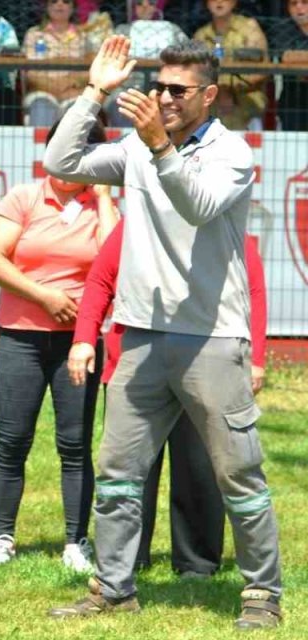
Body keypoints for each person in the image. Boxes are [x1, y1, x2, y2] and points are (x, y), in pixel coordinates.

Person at [44, 36, 283, 629]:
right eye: (159, 87)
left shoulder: (232, 153)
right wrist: (93, 93)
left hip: (213, 339)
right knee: (118, 474)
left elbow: (198, 204)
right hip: (142, 339)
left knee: (239, 474)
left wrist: (157, 145)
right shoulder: (135, 145)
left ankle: (262, 595)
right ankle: (113, 588)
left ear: (210, 94)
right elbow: (61, 164)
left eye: (179, 89)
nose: (165, 98)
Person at [69, 220, 268, 579]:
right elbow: (100, 279)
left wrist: (256, 358)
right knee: (128, 471)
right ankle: (125, 561)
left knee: (199, 467)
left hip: (204, 365)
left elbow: (252, 288)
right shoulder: (136, 224)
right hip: (135, 365)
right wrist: (84, 337)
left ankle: (197, 563)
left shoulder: (221, 221)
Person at [0, 116, 118, 573]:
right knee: (12, 441)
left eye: (84, 153)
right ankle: (1, 538)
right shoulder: (24, 198)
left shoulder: (101, 206)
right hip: (21, 338)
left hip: (79, 343)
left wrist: (105, 195)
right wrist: (45, 297)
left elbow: (115, 259)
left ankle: (76, 542)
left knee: (75, 444)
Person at [107, 0, 187, 127]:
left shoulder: (173, 29)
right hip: (128, 86)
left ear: (157, 6)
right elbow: (112, 57)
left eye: (151, 3)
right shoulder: (122, 30)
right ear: (133, 7)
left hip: (163, 87)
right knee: (117, 100)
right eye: (139, 3)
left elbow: (185, 56)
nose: (145, 7)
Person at [192, 0, 269, 130]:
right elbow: (194, 75)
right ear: (207, 3)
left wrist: (230, 90)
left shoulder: (249, 29)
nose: (219, 1)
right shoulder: (201, 35)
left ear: (234, 3)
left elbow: (261, 70)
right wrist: (219, 92)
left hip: (246, 104)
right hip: (211, 104)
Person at [23, 0, 97, 128]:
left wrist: (71, 84)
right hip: (41, 92)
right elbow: (29, 73)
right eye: (54, 1)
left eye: (66, 1)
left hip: (74, 93)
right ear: (47, 6)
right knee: (41, 107)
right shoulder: (33, 34)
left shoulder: (83, 36)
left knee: (78, 109)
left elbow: (91, 70)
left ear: (72, 7)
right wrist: (54, 88)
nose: (60, 4)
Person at [272, 0, 308, 131]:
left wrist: (299, 58)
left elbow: (293, 57)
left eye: (305, 2)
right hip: (293, 99)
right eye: (293, 3)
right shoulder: (282, 28)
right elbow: (287, 57)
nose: (299, 7)